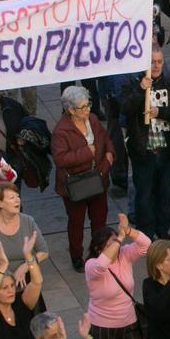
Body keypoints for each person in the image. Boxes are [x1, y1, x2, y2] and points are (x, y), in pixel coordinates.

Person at [118, 47, 170, 239]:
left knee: (164, 193)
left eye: (159, 61)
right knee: (144, 194)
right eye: (152, 62)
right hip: (143, 149)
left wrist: (161, 113)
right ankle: (146, 233)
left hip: (166, 149)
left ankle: (163, 230)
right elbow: (125, 109)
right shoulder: (133, 83)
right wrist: (141, 90)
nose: (156, 66)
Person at [84, 213, 149, 339]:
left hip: (129, 323)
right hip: (102, 328)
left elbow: (146, 245)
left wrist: (128, 231)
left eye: (117, 242)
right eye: (110, 243)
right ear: (98, 248)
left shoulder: (125, 255)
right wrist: (119, 238)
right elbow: (102, 264)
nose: (117, 246)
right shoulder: (92, 266)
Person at [51, 86, 111, 273]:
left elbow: (105, 139)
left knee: (100, 219)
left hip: (98, 177)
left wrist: (109, 155)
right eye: (82, 107)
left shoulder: (92, 120)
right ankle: (76, 256)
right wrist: (87, 152)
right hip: (76, 184)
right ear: (70, 109)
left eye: (88, 105)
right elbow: (60, 159)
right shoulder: (61, 131)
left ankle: (98, 251)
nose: (87, 110)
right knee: (76, 222)